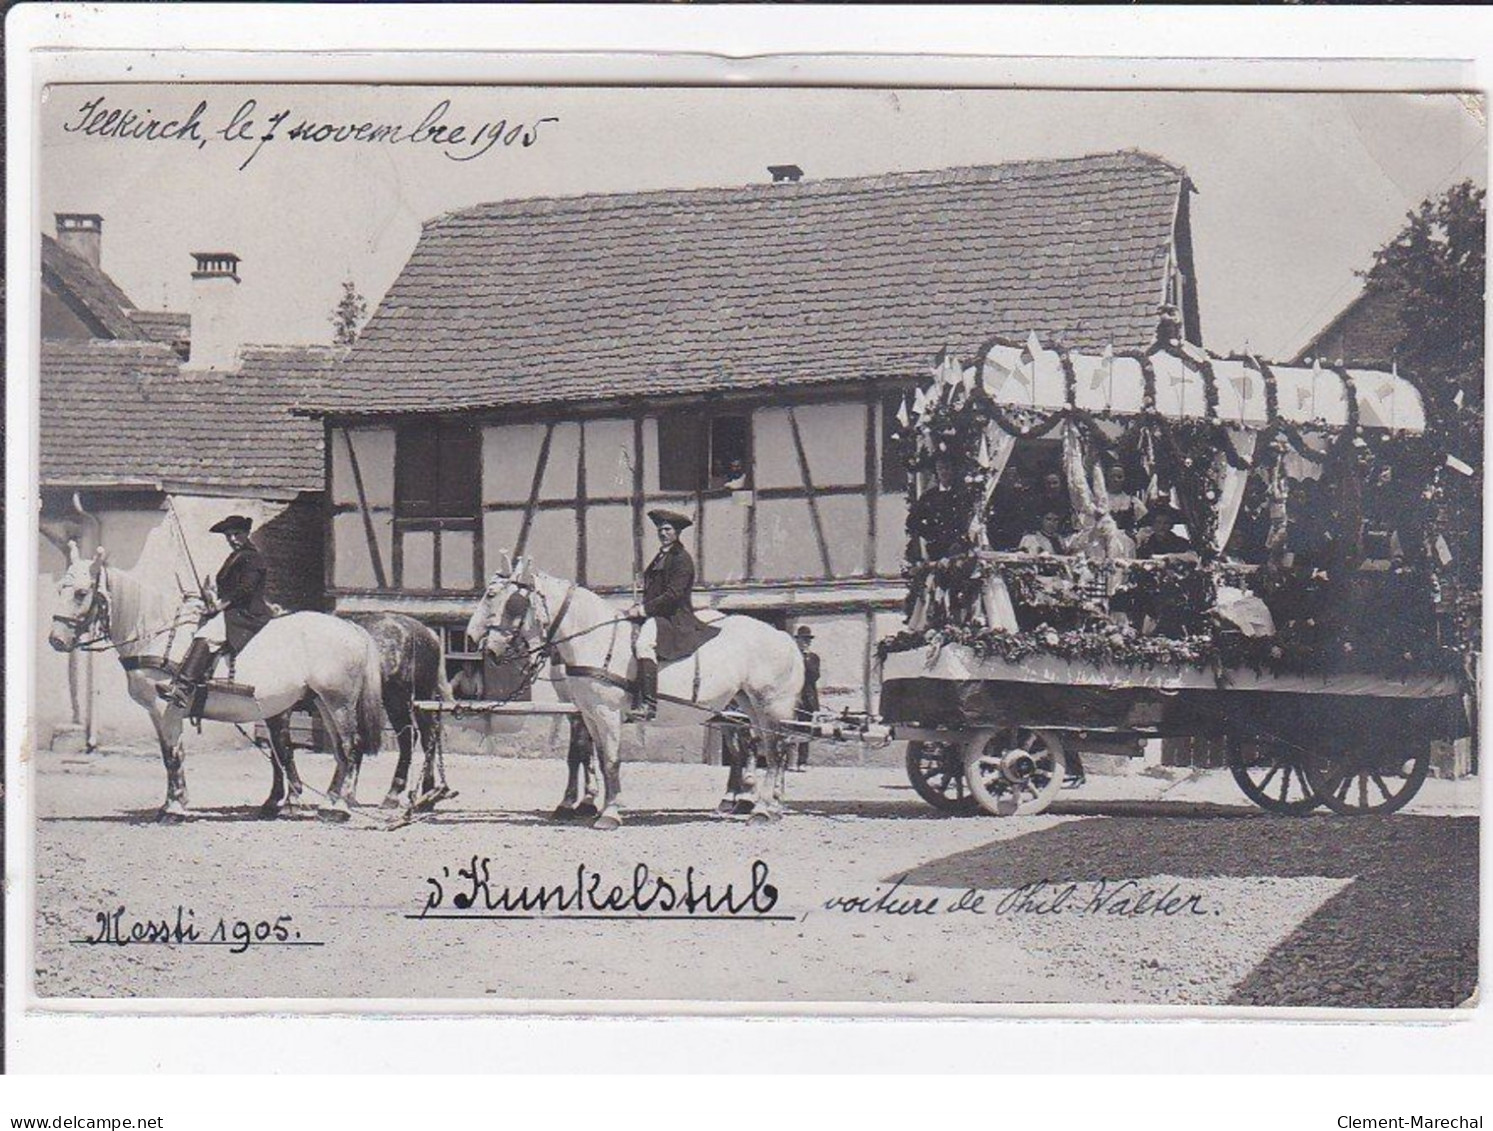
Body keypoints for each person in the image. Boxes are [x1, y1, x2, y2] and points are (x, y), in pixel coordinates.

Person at [160, 514, 274, 711]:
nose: (232, 539)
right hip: (234, 609)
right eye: (228, 535)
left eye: (236, 534)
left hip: (247, 613)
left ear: (247, 534)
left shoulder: (253, 557)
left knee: (208, 633)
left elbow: (246, 589)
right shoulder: (236, 556)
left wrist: (220, 605)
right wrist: (211, 598)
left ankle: (183, 687)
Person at [625, 509, 720, 722]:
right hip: (657, 615)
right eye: (660, 529)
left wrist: (643, 610)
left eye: (667, 529)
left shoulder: (681, 559)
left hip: (674, 618)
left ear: (676, 532)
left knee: (643, 645)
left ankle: (648, 705)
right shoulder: (661, 556)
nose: (662, 533)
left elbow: (673, 595)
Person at [907, 452, 970, 563]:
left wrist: (961, 541)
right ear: (936, 472)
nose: (944, 472)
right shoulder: (929, 496)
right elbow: (912, 521)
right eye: (940, 469)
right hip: (937, 549)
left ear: (953, 471)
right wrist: (931, 535)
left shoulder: (964, 495)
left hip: (961, 549)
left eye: (947, 468)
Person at [791, 625, 821, 772]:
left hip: (808, 697)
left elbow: (814, 676)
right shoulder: (790, 656)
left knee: (805, 729)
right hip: (791, 696)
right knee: (788, 728)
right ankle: (788, 760)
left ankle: (802, 761)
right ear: (797, 640)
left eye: (808, 640)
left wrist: (807, 658)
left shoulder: (813, 658)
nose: (806, 642)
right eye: (803, 639)